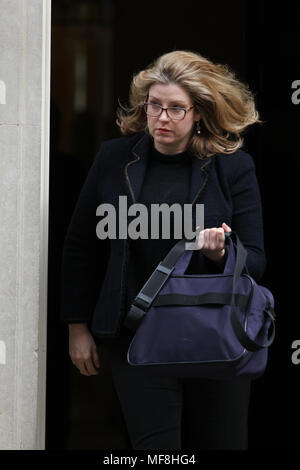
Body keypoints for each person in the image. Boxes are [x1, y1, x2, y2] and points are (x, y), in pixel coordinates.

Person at [61, 50, 266, 450]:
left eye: (176, 108)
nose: (163, 118)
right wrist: (77, 327)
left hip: (216, 336)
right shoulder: (115, 158)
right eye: (155, 105)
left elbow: (255, 259)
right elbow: (79, 246)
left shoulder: (233, 167)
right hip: (137, 337)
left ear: (199, 113)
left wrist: (220, 254)